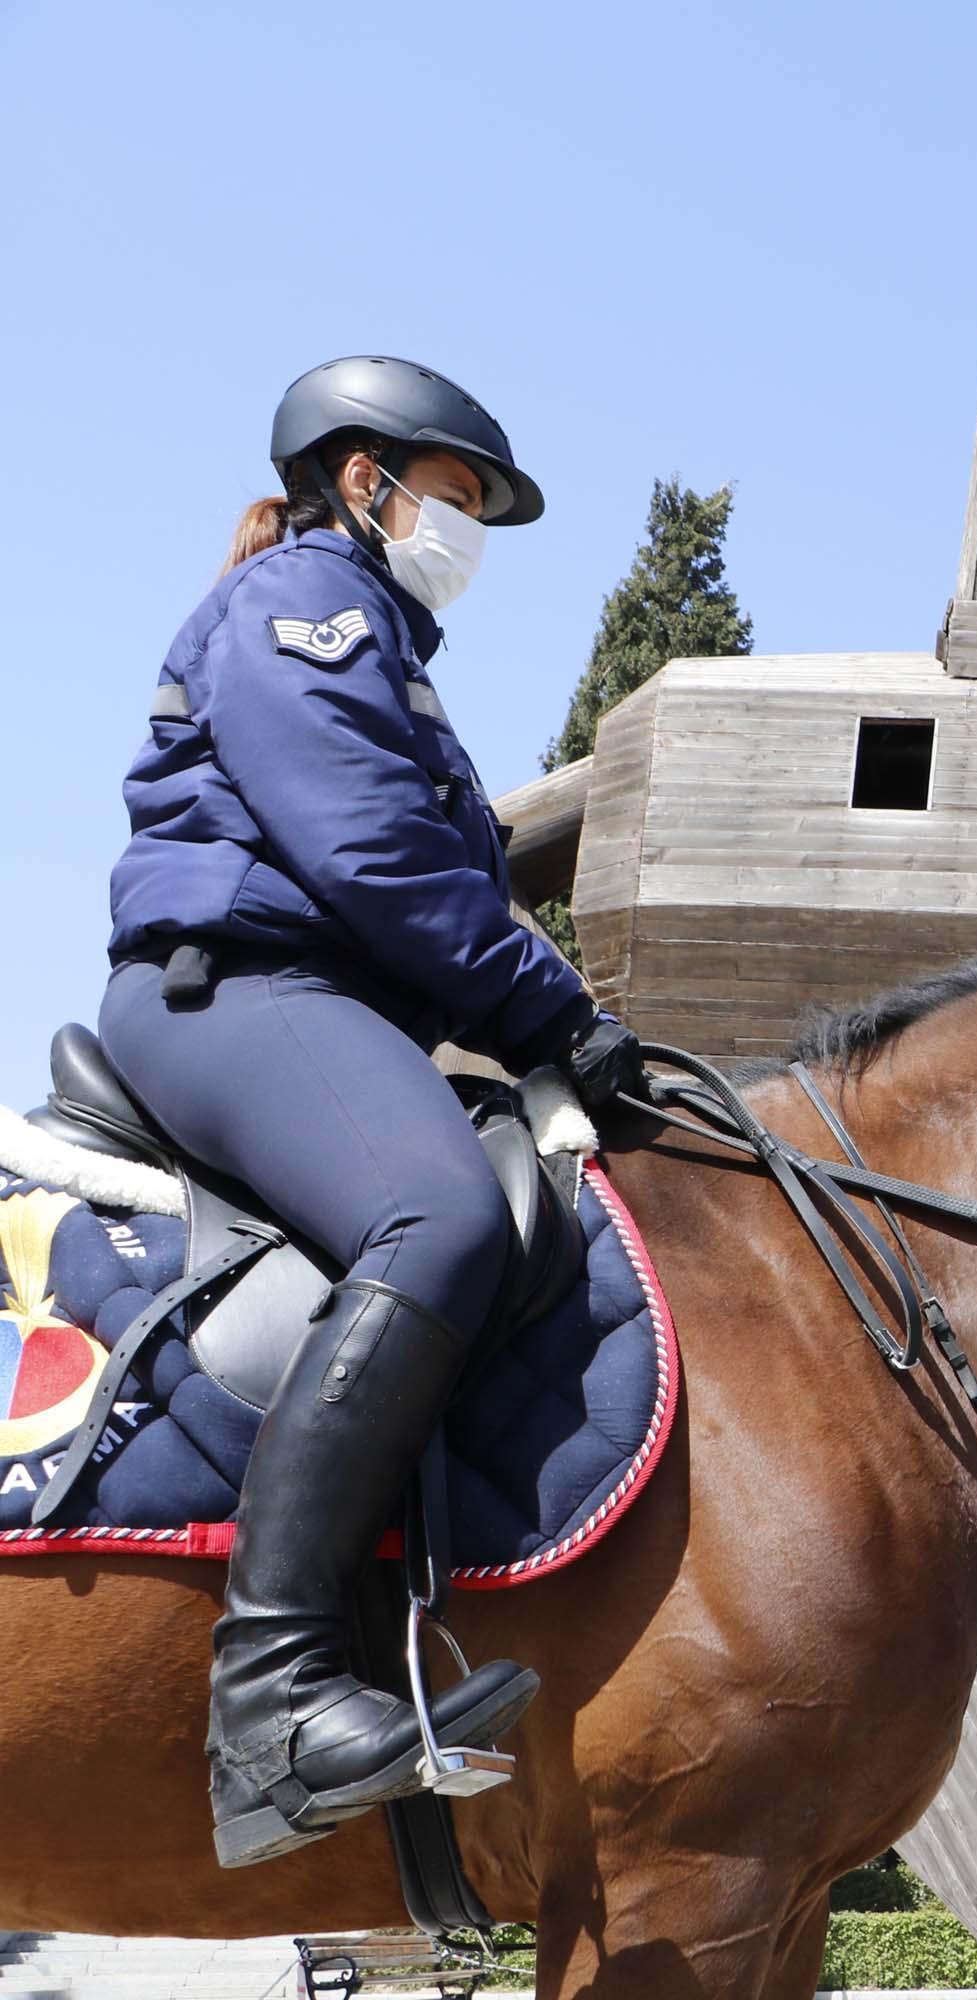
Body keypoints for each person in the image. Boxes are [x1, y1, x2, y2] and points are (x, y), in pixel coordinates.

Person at [101, 356, 645, 1867]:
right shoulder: (301, 611)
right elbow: (381, 860)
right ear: (365, 479)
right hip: (238, 991)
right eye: (457, 498)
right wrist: (560, 1017)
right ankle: (270, 1694)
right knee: (441, 1211)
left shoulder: (386, 651)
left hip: (335, 1005)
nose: (464, 533)